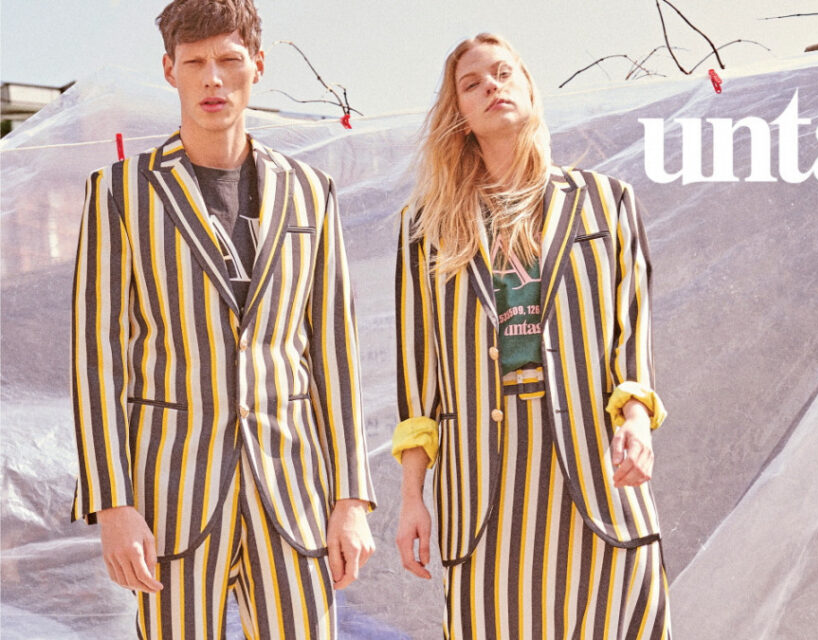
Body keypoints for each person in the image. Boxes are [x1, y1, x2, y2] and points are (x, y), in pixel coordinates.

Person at [70, 1, 375, 637]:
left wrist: (351, 497)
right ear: (169, 70)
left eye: (229, 60)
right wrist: (113, 504)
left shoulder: (310, 192)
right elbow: (98, 358)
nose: (213, 78)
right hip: (171, 494)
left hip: (293, 490)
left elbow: (335, 353)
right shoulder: (120, 192)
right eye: (195, 63)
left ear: (257, 65)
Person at [392, 33, 672, 639]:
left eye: (502, 73)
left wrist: (636, 421)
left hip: (597, 476)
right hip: (486, 492)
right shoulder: (426, 229)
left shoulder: (607, 202)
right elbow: (419, 381)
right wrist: (413, 496)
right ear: (460, 117)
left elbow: (631, 338)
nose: (491, 86)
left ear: (528, 88)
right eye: (472, 84)